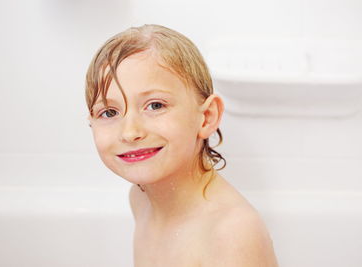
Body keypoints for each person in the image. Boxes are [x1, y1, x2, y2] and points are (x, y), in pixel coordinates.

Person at [85, 24, 279, 267]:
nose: (130, 132)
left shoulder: (230, 233)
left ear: (206, 117)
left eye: (155, 105)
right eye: (110, 111)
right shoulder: (140, 198)